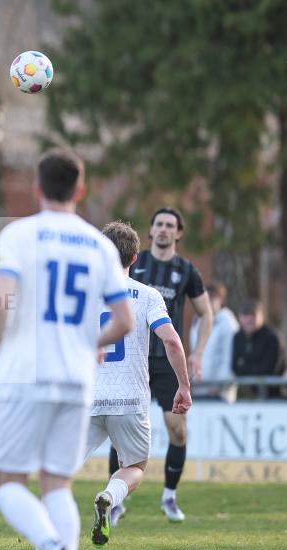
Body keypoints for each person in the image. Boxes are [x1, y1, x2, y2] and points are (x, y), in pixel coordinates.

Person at [0, 148, 133, 550]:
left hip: (26, 374)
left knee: (7, 480)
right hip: (76, 377)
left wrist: (1, 345)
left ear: (36, 188)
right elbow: (124, 320)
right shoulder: (99, 245)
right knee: (58, 484)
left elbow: (0, 302)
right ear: (81, 190)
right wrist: (89, 343)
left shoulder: (19, 234)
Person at [87, 222, 192, 546]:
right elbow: (171, 342)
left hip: (87, 399)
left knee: (58, 472)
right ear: (135, 258)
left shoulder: (83, 295)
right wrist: (183, 386)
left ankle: (44, 545)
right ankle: (109, 495)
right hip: (130, 400)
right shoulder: (148, 296)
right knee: (134, 467)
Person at [116, 207, 212, 524]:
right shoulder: (135, 262)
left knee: (177, 430)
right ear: (151, 229)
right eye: (158, 223)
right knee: (120, 426)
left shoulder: (186, 270)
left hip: (168, 363)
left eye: (170, 225)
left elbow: (205, 313)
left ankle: (169, 496)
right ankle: (116, 501)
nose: (163, 229)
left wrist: (196, 352)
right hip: (133, 359)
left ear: (178, 233)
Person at [190, 283, 239, 402]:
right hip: (199, 388)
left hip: (219, 392)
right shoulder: (197, 322)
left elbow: (228, 357)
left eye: (212, 299)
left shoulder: (228, 324)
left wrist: (220, 385)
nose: (208, 302)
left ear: (220, 301)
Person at [233, 299, 284, 399]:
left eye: (253, 316)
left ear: (262, 317)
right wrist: (254, 367)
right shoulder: (238, 337)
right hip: (244, 394)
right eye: (245, 316)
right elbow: (235, 367)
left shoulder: (272, 337)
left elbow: (268, 369)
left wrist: (244, 365)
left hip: (273, 395)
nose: (249, 320)